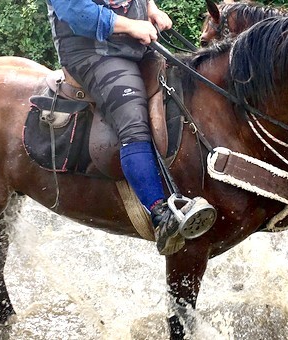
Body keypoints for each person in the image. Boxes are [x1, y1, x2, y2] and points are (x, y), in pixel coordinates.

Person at [46, 0, 216, 255]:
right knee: (133, 122)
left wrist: (152, 9)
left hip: (135, 45)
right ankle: (161, 214)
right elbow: (76, 12)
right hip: (93, 54)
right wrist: (131, 26)